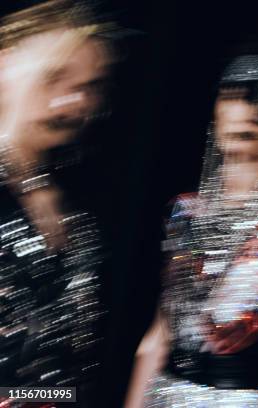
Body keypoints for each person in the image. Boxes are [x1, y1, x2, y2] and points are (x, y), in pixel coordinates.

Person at [125, 53, 258, 408]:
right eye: (236, 94)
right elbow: (159, 336)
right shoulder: (185, 210)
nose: (250, 111)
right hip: (166, 395)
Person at [0, 0, 114, 405]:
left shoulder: (78, 210)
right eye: (55, 77)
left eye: (90, 86)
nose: (74, 105)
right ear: (5, 65)